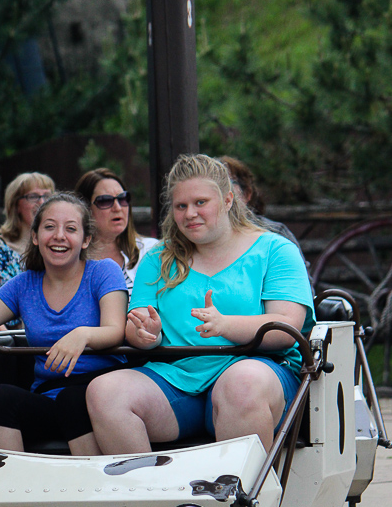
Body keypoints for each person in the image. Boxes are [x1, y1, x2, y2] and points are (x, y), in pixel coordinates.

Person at [83, 154, 315, 456]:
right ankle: (148, 495)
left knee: (241, 384)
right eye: (181, 206)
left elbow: (286, 327)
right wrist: (144, 333)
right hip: (178, 378)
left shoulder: (276, 250)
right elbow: (136, 324)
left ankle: (235, 499)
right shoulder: (157, 259)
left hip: (259, 371)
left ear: (229, 199)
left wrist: (226, 325)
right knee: (105, 392)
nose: (190, 214)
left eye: (201, 203)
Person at [0, 192, 128, 454]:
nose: (59, 236)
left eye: (71, 229)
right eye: (49, 227)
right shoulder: (25, 284)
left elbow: (115, 330)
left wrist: (83, 335)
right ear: (35, 236)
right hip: (50, 397)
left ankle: (91, 488)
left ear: (86, 239)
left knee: (72, 401)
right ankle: (11, 490)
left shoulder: (102, 272)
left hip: (100, 396)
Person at [75, 167, 159, 296]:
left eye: (122, 198)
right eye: (105, 201)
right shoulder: (72, 258)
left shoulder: (152, 251)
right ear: (85, 209)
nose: (117, 208)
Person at [0, 171, 55, 298]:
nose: (42, 202)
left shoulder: (57, 243)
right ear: (16, 205)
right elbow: (5, 298)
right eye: (33, 196)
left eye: (47, 196)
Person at [219, 155, 303, 253]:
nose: (220, 190)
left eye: (228, 182)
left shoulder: (275, 233)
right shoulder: (202, 235)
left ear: (247, 193)